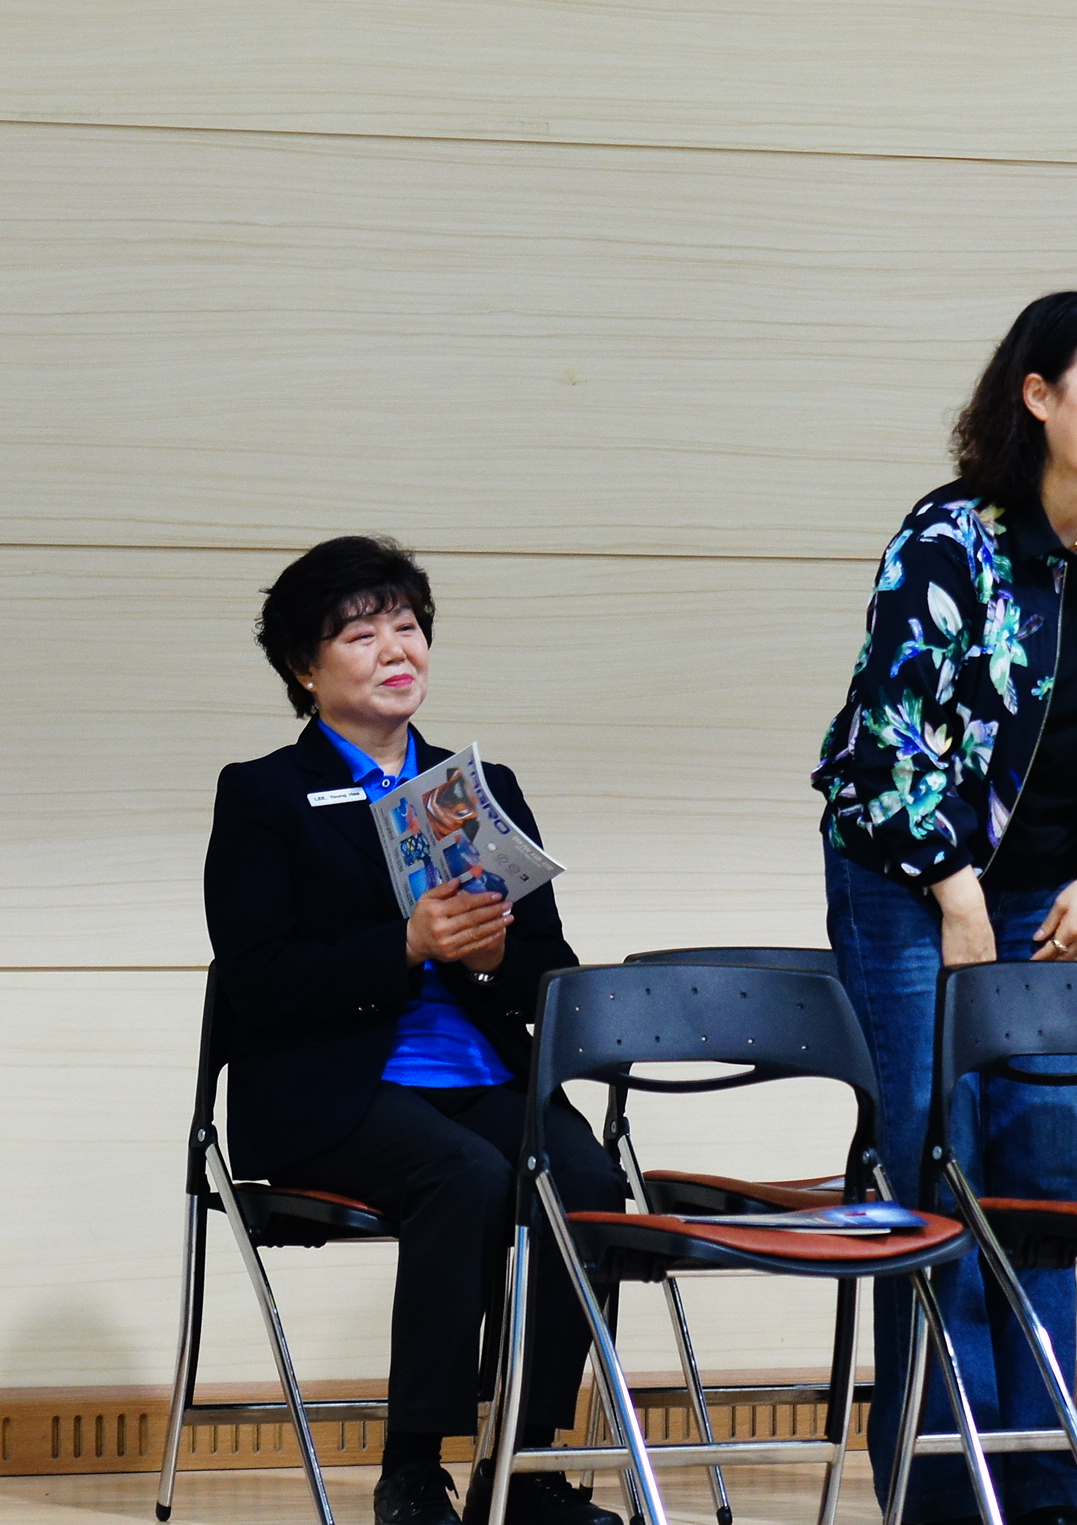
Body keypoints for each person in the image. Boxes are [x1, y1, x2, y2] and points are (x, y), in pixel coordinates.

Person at [813, 289, 1077, 1525]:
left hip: (1054, 888)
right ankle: (945, 1485)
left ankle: (1039, 1481)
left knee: (1041, 1173)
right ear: (1037, 396)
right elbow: (887, 741)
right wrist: (955, 893)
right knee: (937, 1162)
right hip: (906, 878)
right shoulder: (949, 539)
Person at [203, 536, 622, 1525]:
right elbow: (258, 981)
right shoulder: (265, 795)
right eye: (361, 635)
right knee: (464, 1177)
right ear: (305, 668)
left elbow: (550, 972)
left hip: (481, 1074)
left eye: (407, 627)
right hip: (333, 1089)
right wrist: (403, 945)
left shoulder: (480, 788)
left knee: (587, 1184)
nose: (397, 649)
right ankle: (412, 1467)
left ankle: (524, 1470)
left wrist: (488, 956)